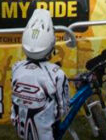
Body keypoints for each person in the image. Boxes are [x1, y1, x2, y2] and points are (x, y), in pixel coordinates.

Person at [11, 9, 69, 140]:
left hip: (21, 131)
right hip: (47, 134)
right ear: (51, 44)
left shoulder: (16, 67)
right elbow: (63, 110)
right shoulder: (57, 74)